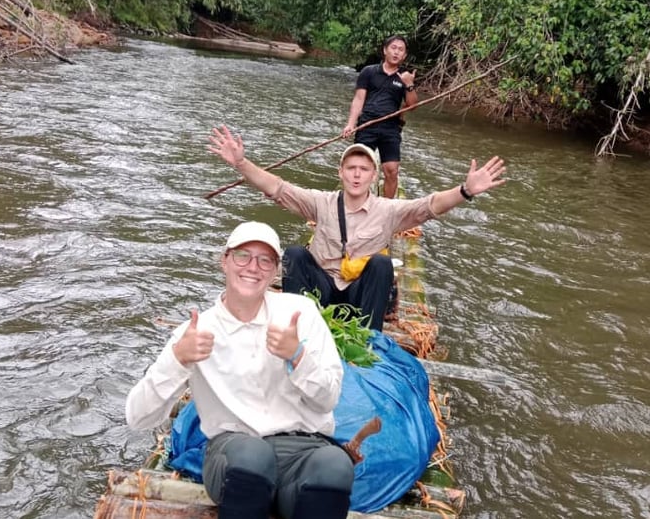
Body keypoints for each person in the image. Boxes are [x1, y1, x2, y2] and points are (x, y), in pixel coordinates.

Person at [125, 221, 354, 519]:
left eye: (264, 260)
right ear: (225, 261)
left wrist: (298, 357)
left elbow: (328, 400)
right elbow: (138, 417)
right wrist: (178, 360)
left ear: (275, 271)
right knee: (252, 456)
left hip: (301, 450)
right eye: (242, 256)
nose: (252, 267)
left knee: (335, 466)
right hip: (233, 454)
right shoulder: (196, 333)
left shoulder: (300, 315)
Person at [208, 125, 507, 333]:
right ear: (340, 173)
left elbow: (429, 206)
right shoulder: (321, 202)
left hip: (358, 297)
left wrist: (465, 190)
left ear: (374, 175)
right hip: (321, 289)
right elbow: (277, 188)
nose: (356, 174)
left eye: (363, 170)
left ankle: (369, 338)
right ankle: (296, 329)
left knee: (380, 263)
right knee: (297, 254)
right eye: (350, 168)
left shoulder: (388, 210)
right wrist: (241, 163)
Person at [342, 35, 418, 198]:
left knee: (391, 170)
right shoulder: (368, 72)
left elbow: (412, 105)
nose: (396, 52)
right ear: (385, 50)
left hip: (390, 128)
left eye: (401, 50)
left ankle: (386, 208)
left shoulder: (404, 77)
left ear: (404, 56)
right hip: (366, 125)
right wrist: (351, 124)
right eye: (393, 48)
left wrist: (409, 84)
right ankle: (355, 200)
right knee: (360, 167)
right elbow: (359, 99)